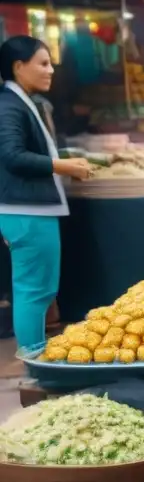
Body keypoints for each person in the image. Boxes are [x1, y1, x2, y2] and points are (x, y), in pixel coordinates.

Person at [0, 36, 91, 350]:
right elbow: (11, 156)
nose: (51, 70)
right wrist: (63, 167)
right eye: (43, 63)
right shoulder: (9, 104)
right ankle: (34, 360)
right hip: (26, 212)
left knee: (37, 289)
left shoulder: (21, 100)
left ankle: (35, 356)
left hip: (30, 211)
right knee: (33, 291)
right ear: (18, 66)